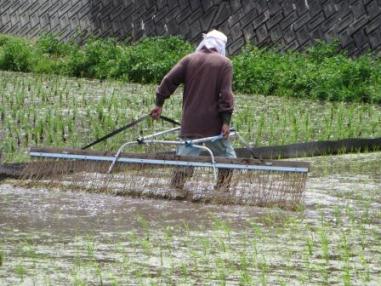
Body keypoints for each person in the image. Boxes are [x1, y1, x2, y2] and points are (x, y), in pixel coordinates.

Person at [150, 30, 236, 195]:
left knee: (183, 164)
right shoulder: (225, 64)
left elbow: (168, 81)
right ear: (221, 46)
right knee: (228, 159)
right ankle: (222, 192)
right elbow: (226, 95)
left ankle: (174, 192)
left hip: (190, 124)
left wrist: (159, 105)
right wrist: (226, 122)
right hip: (213, 126)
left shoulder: (189, 59)